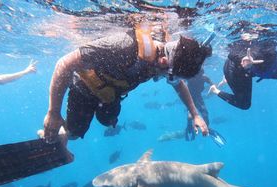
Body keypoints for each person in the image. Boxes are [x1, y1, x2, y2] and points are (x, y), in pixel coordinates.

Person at [42, 21, 212, 143]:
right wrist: (53, 112)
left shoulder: (168, 60)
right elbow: (64, 64)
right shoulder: (123, 46)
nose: (170, 78)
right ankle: (58, 134)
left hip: (112, 95)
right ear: (163, 62)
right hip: (85, 89)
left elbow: (178, 85)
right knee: (74, 134)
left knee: (108, 122)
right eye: (170, 74)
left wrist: (195, 114)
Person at [185, 67, 226, 146]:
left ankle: (206, 128)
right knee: (191, 115)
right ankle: (190, 127)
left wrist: (215, 86)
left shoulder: (204, 77)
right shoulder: (191, 77)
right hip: (190, 97)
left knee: (204, 113)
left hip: (197, 96)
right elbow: (182, 82)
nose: (199, 76)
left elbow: (212, 84)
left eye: (200, 74)